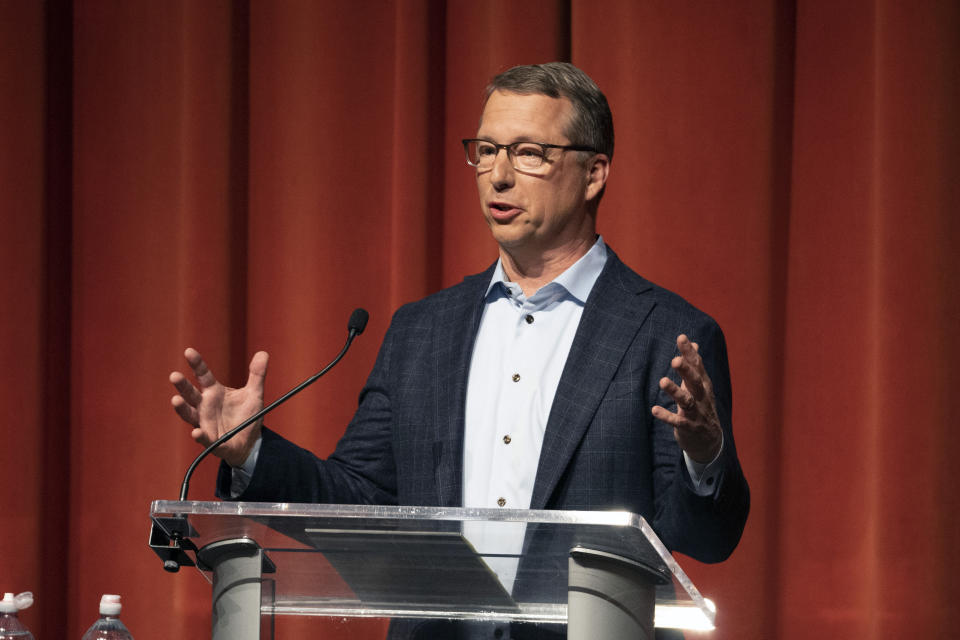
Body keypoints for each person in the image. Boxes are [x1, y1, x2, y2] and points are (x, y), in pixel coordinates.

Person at [170, 62, 749, 638]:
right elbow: (364, 503)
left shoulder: (667, 333)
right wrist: (252, 453)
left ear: (594, 172)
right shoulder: (422, 330)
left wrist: (705, 455)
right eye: (487, 150)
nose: (497, 176)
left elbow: (706, 539)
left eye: (528, 153)